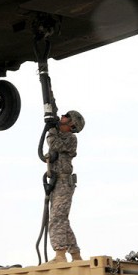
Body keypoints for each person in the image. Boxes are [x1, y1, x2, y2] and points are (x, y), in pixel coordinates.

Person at [46, 110, 85, 263]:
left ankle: (60, 254)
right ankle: (75, 255)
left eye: (66, 117)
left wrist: (51, 129)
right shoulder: (59, 134)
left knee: (57, 218)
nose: (62, 117)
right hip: (57, 183)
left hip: (64, 183)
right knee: (61, 219)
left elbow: (54, 143)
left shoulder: (70, 139)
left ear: (72, 125)